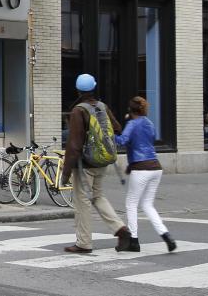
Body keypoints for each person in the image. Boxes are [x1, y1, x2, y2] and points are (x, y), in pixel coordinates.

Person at [61, 73, 132, 254]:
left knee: (82, 202)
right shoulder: (102, 106)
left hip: (85, 165)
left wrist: (66, 173)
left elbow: (74, 145)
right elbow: (117, 128)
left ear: (78, 90)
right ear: (93, 88)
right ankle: (121, 229)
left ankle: (84, 243)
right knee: (97, 196)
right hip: (103, 161)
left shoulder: (79, 110)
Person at [114, 96, 176, 253]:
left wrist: (109, 135)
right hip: (156, 167)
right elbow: (151, 139)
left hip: (141, 168)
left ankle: (133, 241)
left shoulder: (132, 124)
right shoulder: (149, 123)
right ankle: (166, 236)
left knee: (131, 203)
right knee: (148, 205)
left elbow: (122, 141)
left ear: (130, 110)